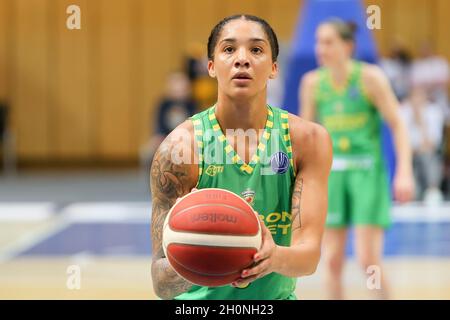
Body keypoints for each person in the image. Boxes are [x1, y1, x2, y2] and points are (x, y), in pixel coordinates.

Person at [150, 14, 332, 300]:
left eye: (256, 49)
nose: (242, 59)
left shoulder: (308, 141)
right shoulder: (180, 149)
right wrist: (192, 248)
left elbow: (308, 257)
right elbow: (160, 284)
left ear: (274, 68)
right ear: (211, 66)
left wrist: (273, 258)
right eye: (229, 49)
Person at [299, 18, 414, 299]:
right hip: (332, 176)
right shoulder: (313, 82)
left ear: (348, 46)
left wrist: (404, 172)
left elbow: (398, 124)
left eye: (328, 42)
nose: (320, 48)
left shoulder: (370, 78)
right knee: (332, 260)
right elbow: (306, 136)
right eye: (317, 41)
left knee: (367, 260)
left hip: (367, 173)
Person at [139, 72, 197, 168]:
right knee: (148, 152)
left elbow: (195, 125)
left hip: (186, 139)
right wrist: (160, 137)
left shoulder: (192, 104)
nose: (179, 90)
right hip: (165, 138)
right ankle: (153, 180)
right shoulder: (163, 104)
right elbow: (158, 125)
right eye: (176, 87)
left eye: (182, 87)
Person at [400, 87, 444, 203]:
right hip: (409, 153)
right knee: (406, 158)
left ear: (425, 98)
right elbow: (401, 141)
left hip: (427, 152)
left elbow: (433, 143)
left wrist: (421, 122)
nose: (417, 101)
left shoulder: (434, 112)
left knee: (428, 156)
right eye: (414, 97)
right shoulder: (403, 111)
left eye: (420, 97)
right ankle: (409, 192)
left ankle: (432, 190)